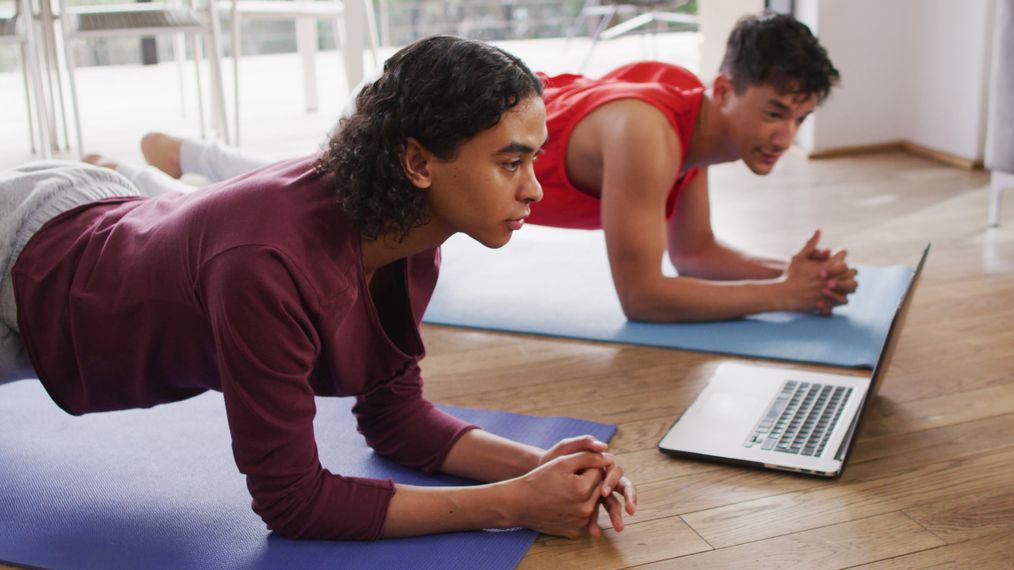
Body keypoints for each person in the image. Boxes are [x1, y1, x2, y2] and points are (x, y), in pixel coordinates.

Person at [0, 36, 635, 541]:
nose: (535, 190)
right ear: (418, 162)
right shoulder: (267, 266)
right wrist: (509, 505)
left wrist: (539, 465)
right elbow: (292, 501)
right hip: (30, 266)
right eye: (510, 162)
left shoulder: (412, 232)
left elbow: (395, 417)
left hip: (102, 214)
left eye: (532, 160)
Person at [141, 12, 857, 324]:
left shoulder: (690, 126)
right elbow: (644, 295)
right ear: (726, 90)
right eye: (774, 112)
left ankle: (183, 164)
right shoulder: (649, 136)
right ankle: (153, 185)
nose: (785, 135)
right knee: (299, 207)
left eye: (800, 118)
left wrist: (791, 274)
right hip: (455, 134)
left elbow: (694, 253)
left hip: (478, 133)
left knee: (303, 185)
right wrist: (784, 298)